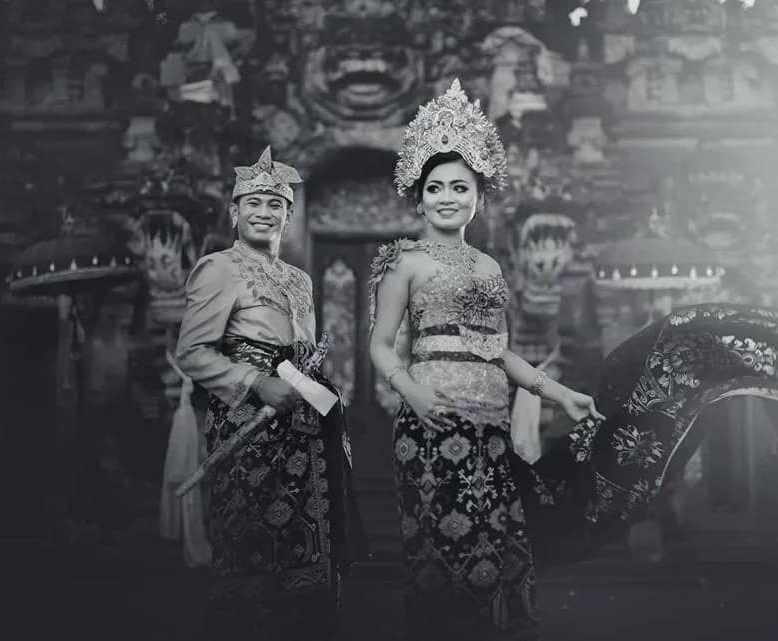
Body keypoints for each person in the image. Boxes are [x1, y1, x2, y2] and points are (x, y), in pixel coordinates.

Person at [368, 79, 605, 641]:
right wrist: (411, 390)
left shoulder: (491, 269)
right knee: (438, 558)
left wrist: (559, 393)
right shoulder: (406, 263)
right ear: (418, 195)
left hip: (490, 430)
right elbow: (379, 344)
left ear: (479, 194)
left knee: (497, 551)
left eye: (459, 186)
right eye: (435, 188)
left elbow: (497, 352)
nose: (446, 197)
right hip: (430, 425)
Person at [176, 146, 361, 640]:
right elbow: (192, 353)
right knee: (250, 543)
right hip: (247, 428)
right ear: (234, 213)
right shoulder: (217, 268)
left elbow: (299, 354)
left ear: (288, 214)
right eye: (252, 203)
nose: (263, 212)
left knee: (311, 548)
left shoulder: (300, 280)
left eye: (274, 204)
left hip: (304, 428)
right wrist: (257, 382)